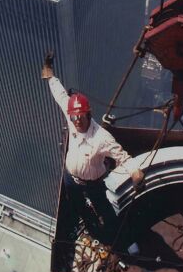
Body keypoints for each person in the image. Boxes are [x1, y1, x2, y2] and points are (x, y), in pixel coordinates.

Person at [41, 52, 144, 246]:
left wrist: (136, 173)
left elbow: (123, 157)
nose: (77, 121)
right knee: (78, 205)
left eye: (81, 117)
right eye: (74, 117)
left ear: (89, 114)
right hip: (71, 178)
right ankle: (89, 224)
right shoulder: (72, 117)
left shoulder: (102, 138)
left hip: (93, 183)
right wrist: (49, 73)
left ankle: (117, 238)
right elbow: (61, 95)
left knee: (104, 209)